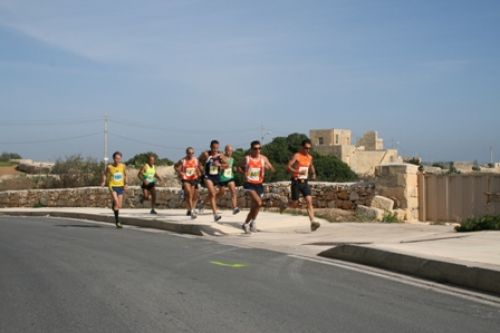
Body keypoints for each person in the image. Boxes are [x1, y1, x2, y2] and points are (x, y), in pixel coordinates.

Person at [239, 140, 275, 234]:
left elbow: (271, 168)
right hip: (249, 184)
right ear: (251, 149)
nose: (257, 150)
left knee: (255, 206)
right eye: (255, 148)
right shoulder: (247, 158)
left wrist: (269, 168)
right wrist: (244, 172)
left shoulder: (263, 158)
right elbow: (238, 167)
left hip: (259, 184)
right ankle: (247, 223)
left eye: (259, 148)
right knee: (258, 202)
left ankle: (251, 222)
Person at [286, 139, 320, 231]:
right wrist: (295, 171)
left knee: (309, 201)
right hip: (296, 182)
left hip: (305, 182)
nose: (307, 150)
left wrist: (313, 173)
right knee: (294, 204)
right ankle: (285, 204)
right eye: (306, 148)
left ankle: (313, 222)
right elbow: (288, 167)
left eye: (309, 148)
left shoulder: (309, 157)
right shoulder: (297, 156)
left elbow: (311, 165)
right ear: (302, 147)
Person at [199, 140, 227, 222]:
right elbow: (198, 161)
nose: (215, 150)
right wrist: (200, 168)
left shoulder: (220, 155)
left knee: (222, 192)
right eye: (214, 148)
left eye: (217, 148)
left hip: (217, 176)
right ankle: (215, 215)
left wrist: (220, 165)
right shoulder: (206, 154)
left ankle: (203, 204)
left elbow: (227, 165)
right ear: (210, 147)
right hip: (208, 176)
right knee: (212, 193)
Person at [101, 151, 128, 229]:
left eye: (119, 158)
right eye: (116, 158)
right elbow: (105, 174)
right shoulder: (109, 167)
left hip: (120, 186)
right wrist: (103, 181)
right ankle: (117, 222)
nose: (117, 160)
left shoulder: (123, 166)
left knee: (119, 205)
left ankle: (114, 205)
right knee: (116, 202)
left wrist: (126, 183)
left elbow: (125, 175)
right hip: (112, 186)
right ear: (113, 159)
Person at [175, 147, 200, 219]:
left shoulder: (195, 160)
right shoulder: (183, 160)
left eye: (192, 153)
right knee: (188, 193)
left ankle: (190, 209)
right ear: (186, 153)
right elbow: (175, 166)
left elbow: (197, 168)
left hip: (194, 178)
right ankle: (192, 211)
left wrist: (199, 173)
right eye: (189, 153)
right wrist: (179, 172)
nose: (190, 154)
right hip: (185, 178)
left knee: (194, 196)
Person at [218, 144, 240, 215]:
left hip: (230, 177)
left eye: (231, 151)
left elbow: (231, 168)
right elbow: (217, 166)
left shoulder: (232, 159)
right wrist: (221, 167)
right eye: (228, 150)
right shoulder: (221, 158)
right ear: (225, 151)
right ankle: (206, 202)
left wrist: (235, 169)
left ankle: (234, 208)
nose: (230, 152)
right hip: (222, 178)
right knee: (221, 193)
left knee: (233, 192)